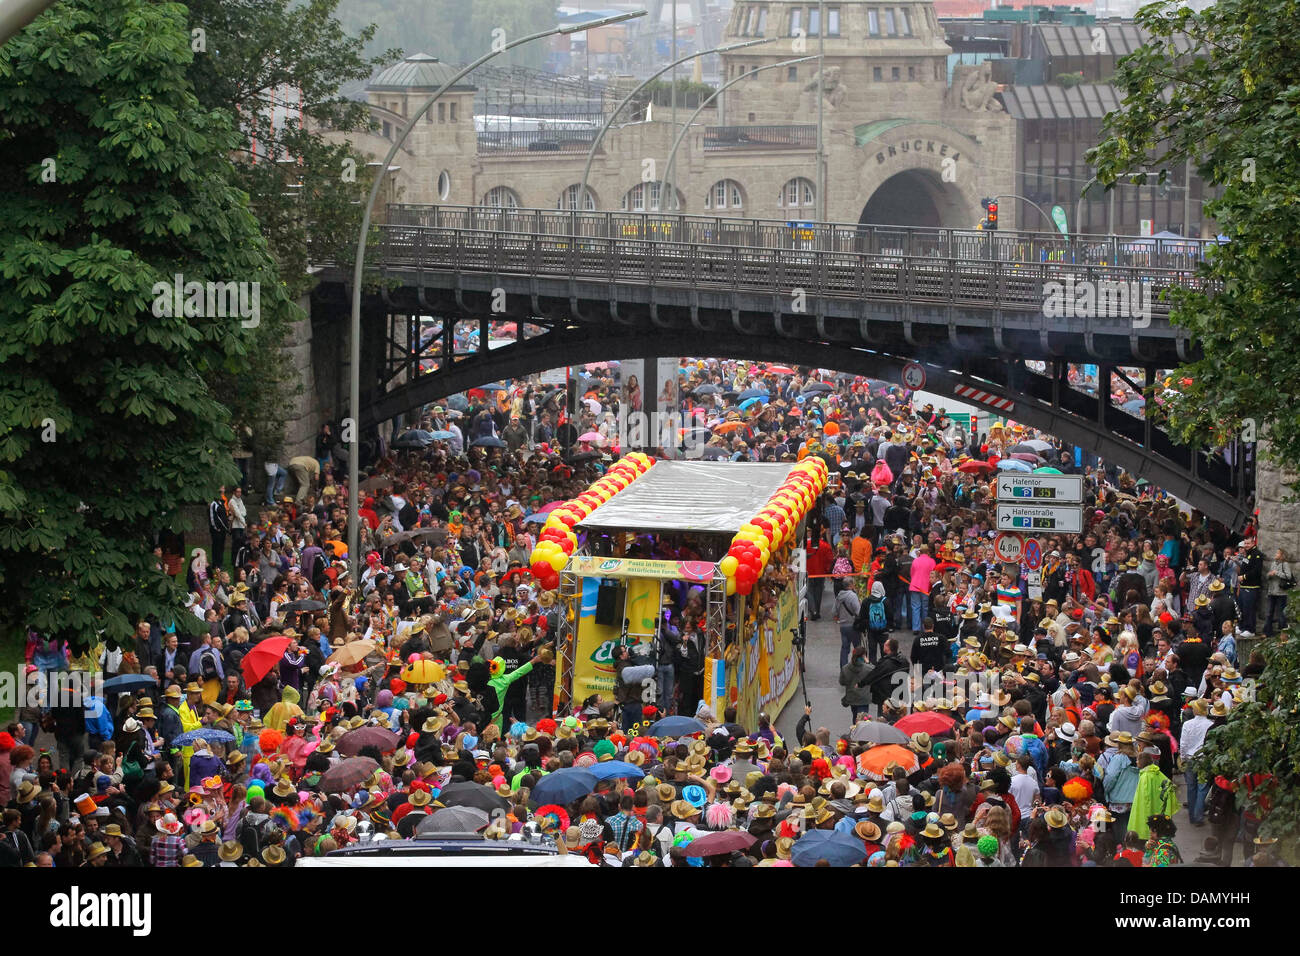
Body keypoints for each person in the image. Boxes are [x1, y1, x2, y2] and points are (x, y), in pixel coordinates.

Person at [833, 578, 862, 669]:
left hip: (843, 626)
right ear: (850, 585)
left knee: (845, 648)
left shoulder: (839, 596)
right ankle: (859, 667)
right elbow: (858, 611)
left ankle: (844, 669)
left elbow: (834, 611)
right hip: (853, 626)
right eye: (853, 583)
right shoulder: (853, 596)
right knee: (858, 648)